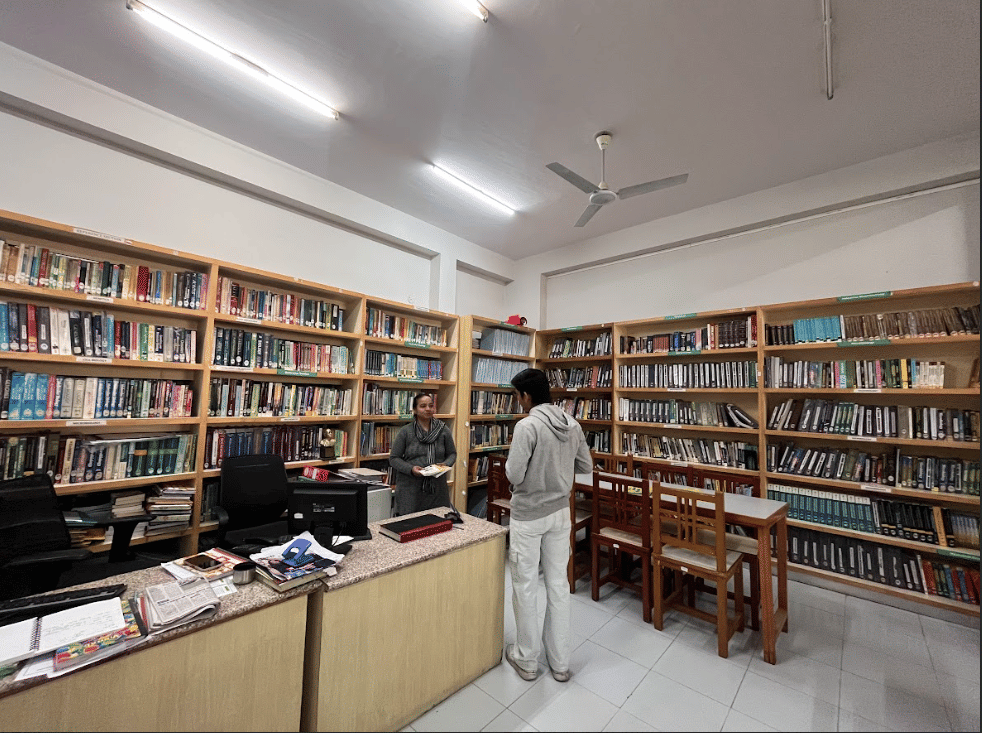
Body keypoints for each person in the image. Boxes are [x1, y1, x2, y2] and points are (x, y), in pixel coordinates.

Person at [503, 368, 592, 683]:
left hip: (529, 514)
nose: (518, 402)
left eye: (518, 396)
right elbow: (585, 465)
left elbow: (513, 474)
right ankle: (560, 663)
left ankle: (527, 659)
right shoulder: (572, 424)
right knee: (558, 585)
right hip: (560, 514)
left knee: (525, 585)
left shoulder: (527, 426)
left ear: (526, 396)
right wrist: (558, 467)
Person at [389, 393, 457, 516]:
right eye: (423, 406)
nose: (428, 409)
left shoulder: (443, 430)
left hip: (437, 487)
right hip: (410, 487)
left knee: (437, 523)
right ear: (415, 410)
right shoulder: (406, 431)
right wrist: (411, 469)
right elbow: (394, 459)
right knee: (411, 525)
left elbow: (452, 454)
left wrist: (445, 464)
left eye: (431, 406)